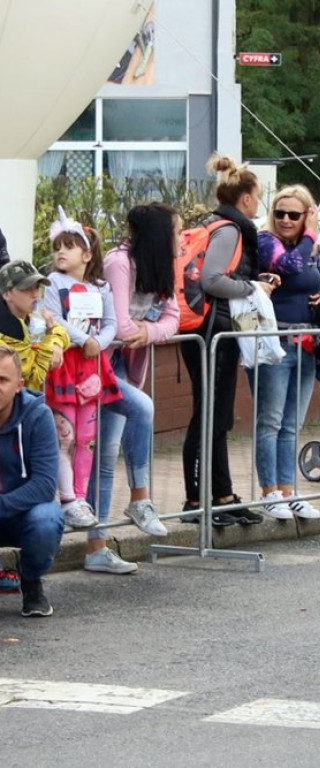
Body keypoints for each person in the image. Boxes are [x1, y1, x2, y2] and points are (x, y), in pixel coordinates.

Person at [90, 202, 181, 574]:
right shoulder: (119, 262)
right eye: (176, 231)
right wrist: (142, 332)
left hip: (125, 364)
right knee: (141, 408)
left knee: (107, 455)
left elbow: (174, 319)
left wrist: (147, 332)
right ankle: (140, 498)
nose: (181, 239)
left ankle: (96, 546)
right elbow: (120, 326)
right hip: (99, 364)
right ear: (160, 235)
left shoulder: (158, 267)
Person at [180, 155, 270, 526]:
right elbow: (213, 280)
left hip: (211, 327)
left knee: (217, 414)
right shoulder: (230, 229)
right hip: (210, 329)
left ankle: (222, 494)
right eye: (258, 196)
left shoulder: (212, 222)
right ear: (246, 198)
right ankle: (195, 499)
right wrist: (253, 287)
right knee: (209, 413)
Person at [252, 184, 320, 520]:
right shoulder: (267, 240)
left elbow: (318, 280)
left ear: (305, 214)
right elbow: (290, 266)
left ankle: (288, 490)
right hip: (274, 341)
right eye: (280, 212)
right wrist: (311, 233)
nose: (285, 219)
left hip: (307, 342)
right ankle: (269, 492)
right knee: (270, 420)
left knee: (292, 423)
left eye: (294, 214)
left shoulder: (312, 249)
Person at [43, 208, 122, 531]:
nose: (61, 251)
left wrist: (99, 343)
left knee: (87, 438)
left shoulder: (101, 287)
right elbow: (52, 316)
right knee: (66, 436)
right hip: (65, 364)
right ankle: (67, 499)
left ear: (87, 254)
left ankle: (80, 495)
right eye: (57, 246)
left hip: (91, 367)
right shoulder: (51, 283)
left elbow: (112, 323)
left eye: (69, 246)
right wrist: (81, 339)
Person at [0, 345, 63, 617]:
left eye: (2, 380)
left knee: (47, 519)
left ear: (19, 385)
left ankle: (31, 582)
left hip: (22, 515)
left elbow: (45, 485)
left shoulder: (38, 416)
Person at [0, 261, 69, 391]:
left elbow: (61, 331)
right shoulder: (7, 330)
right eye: (26, 288)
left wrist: (56, 344)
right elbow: (35, 377)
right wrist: (48, 338)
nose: (35, 294)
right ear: (7, 294)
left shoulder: (33, 317)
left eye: (37, 287)